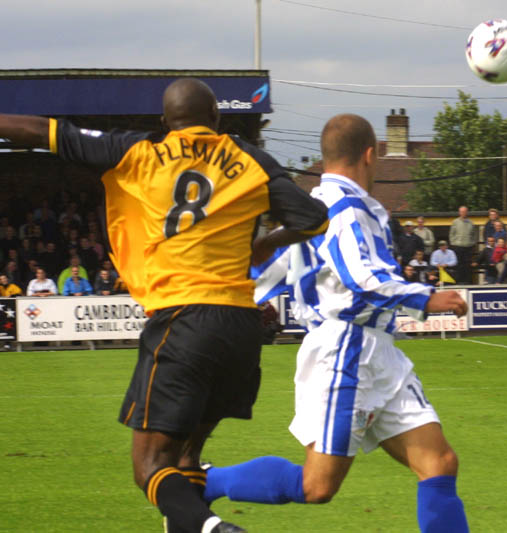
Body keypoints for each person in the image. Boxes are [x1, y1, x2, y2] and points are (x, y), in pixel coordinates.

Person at [0, 78, 329, 533]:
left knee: (150, 465)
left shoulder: (139, 151)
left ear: (164, 122)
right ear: (216, 119)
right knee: (186, 458)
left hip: (183, 321)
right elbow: (313, 218)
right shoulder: (250, 157)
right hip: (240, 327)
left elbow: (43, 131)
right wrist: (265, 244)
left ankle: (214, 529)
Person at [206, 114, 470, 533]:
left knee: (439, 463)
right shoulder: (345, 209)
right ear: (370, 155)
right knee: (318, 485)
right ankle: (202, 481)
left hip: (376, 348)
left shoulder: (313, 208)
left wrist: (219, 300)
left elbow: (263, 269)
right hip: (346, 351)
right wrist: (427, 297)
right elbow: (360, 279)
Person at [449, 205, 476, 284]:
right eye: (462, 211)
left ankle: (467, 281)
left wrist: (472, 243)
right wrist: (453, 243)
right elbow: (451, 234)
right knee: (458, 265)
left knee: (467, 265)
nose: (463, 213)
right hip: (458, 247)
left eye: (465, 211)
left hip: (468, 247)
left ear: (467, 212)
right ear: (459, 212)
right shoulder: (455, 222)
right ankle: (458, 281)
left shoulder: (471, 222)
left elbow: (474, 234)